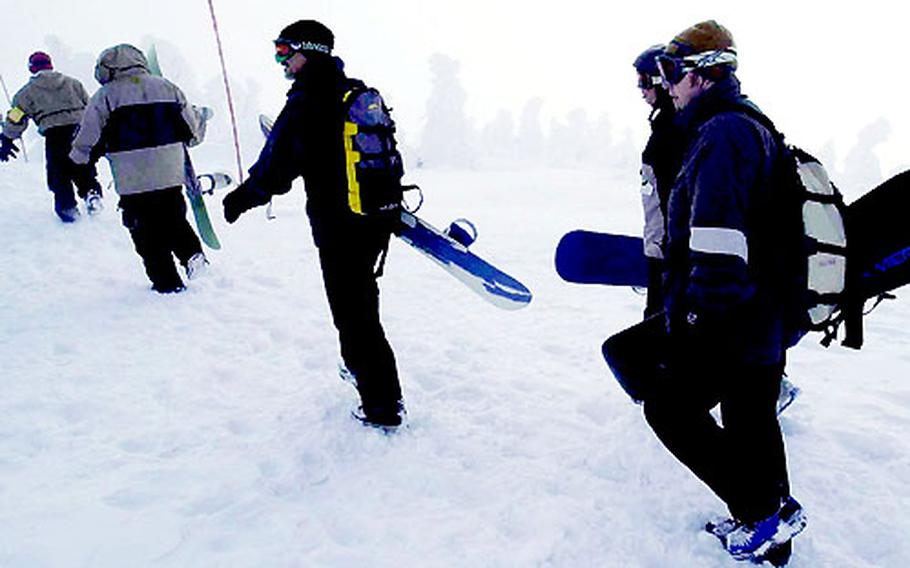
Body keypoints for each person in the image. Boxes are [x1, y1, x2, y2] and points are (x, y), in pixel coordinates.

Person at [641, 20, 806, 564]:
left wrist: (697, 319)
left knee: (669, 408)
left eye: (671, 73)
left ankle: (762, 514)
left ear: (704, 75)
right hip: (761, 313)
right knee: (751, 418)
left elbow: (716, 238)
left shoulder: (723, 133)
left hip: (733, 316)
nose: (666, 85)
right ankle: (769, 527)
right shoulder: (745, 124)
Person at [221, 20, 406, 431]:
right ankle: (366, 376)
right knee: (360, 305)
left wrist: (243, 197)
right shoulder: (352, 91)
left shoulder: (308, 101)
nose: (280, 60)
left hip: (339, 224)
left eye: (285, 51)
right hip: (373, 217)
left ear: (310, 51)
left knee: (354, 314)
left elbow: (278, 166)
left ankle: (382, 406)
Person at [70, 44, 209, 294]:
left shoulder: (105, 97)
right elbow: (192, 133)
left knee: (145, 232)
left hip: (133, 179)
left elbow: (88, 138)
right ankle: (192, 254)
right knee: (174, 218)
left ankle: (167, 283)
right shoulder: (169, 88)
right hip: (170, 173)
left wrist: (78, 160)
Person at [0, 51, 102, 222]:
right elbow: (90, 106)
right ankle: (92, 194)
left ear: (32, 69)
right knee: (82, 165)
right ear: (51, 65)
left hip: (54, 135)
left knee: (58, 172)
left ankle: (67, 207)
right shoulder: (73, 83)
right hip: (78, 131)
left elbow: (16, 118)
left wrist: (7, 138)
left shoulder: (26, 93)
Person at [633, 44, 684, 318]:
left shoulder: (670, 135)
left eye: (643, 82)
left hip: (671, 263)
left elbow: (673, 204)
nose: (640, 91)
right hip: (667, 257)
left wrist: (664, 261)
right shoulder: (669, 128)